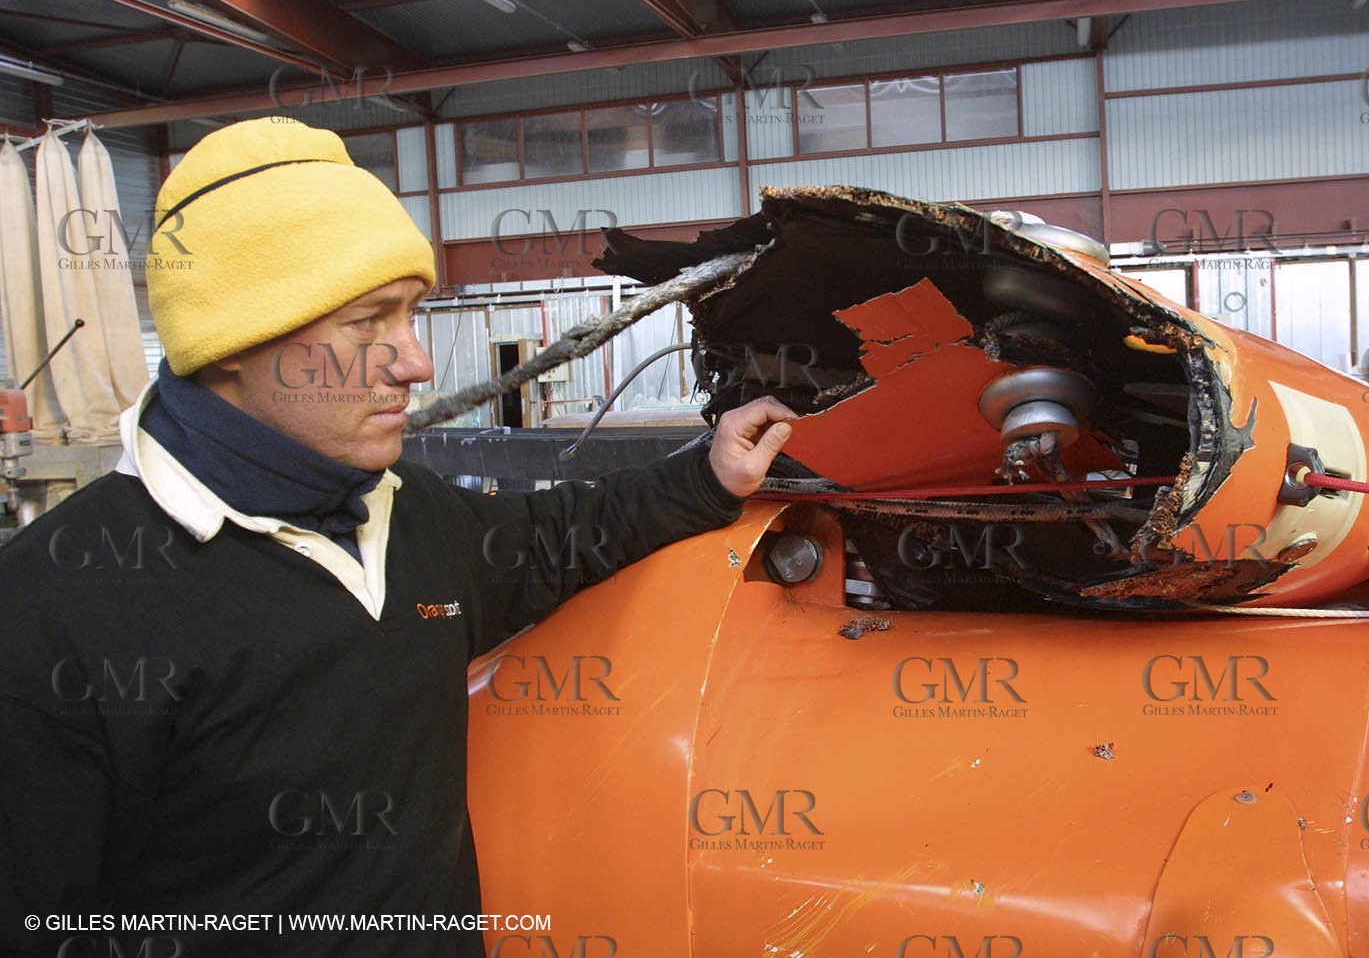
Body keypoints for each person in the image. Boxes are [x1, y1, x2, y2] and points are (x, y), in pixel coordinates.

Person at [0, 118, 796, 957]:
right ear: (233, 342)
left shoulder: (406, 514)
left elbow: (566, 533)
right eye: (370, 322)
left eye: (412, 315)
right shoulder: (53, 611)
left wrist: (709, 475)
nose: (416, 363)